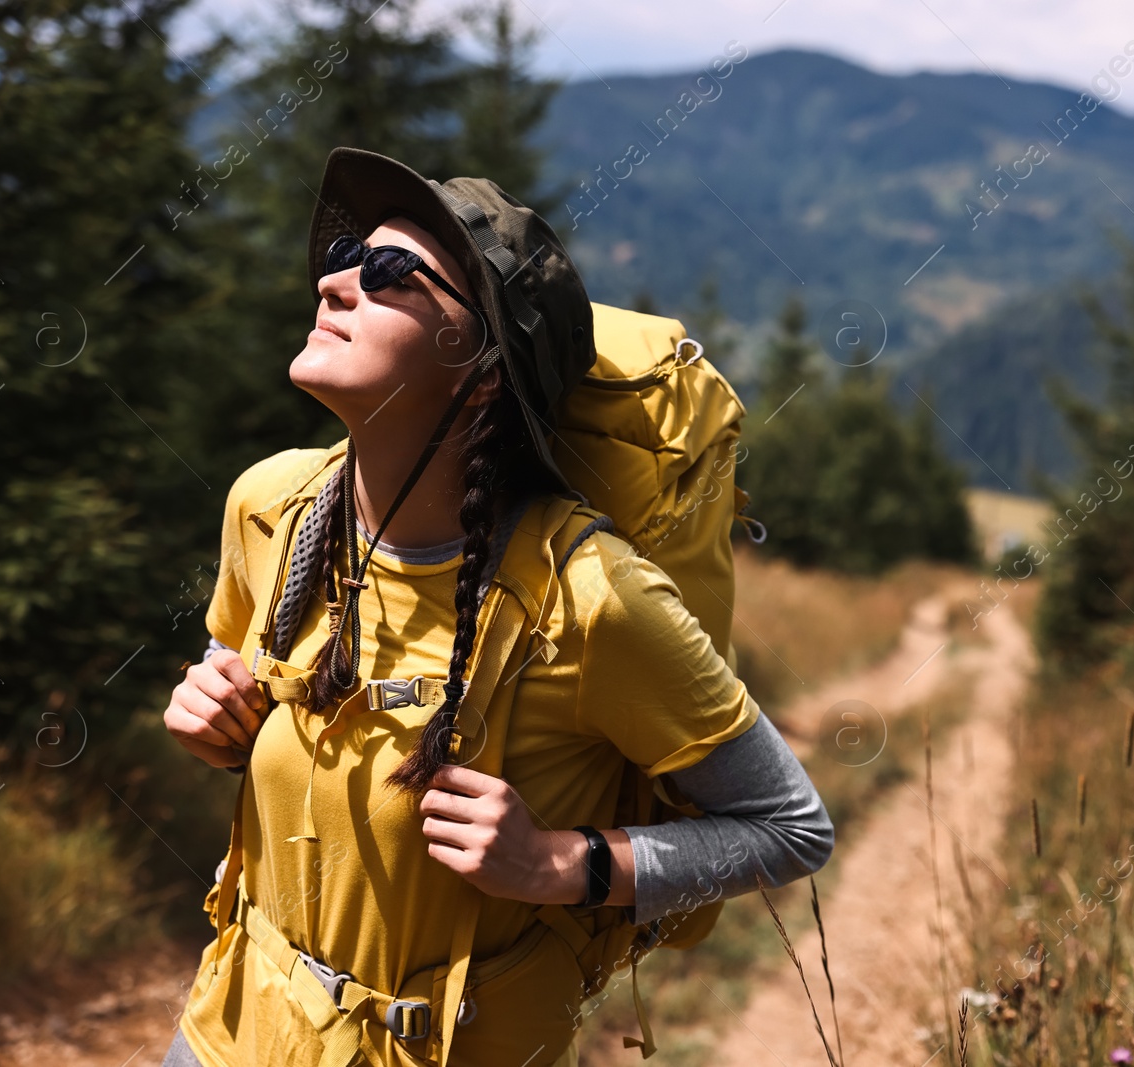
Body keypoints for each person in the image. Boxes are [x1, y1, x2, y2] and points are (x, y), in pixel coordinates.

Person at [159, 148, 833, 1067]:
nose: (337, 279)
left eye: (390, 270)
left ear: (480, 366)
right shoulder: (272, 507)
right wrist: (216, 717)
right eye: (348, 251)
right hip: (225, 1031)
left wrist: (562, 864)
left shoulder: (590, 596)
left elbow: (791, 829)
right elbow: (255, 708)